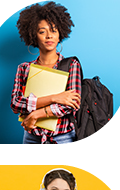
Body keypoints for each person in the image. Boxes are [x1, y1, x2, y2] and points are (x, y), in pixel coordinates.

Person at [11, 2, 81, 144]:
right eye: (42, 31)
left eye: (53, 30)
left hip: (63, 138)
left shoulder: (71, 65)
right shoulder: (24, 68)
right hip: (31, 137)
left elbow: (70, 104)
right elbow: (15, 103)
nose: (49, 36)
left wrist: (36, 114)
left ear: (60, 34)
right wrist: (55, 98)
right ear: (34, 35)